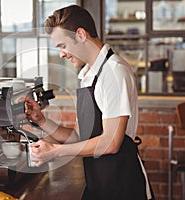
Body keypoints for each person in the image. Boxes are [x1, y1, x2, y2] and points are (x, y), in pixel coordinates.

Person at [24, 5, 154, 200]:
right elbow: (78, 136)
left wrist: (55, 152)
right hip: (99, 182)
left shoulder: (113, 72)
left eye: (63, 46)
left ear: (81, 35)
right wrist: (41, 120)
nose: (61, 54)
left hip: (123, 185)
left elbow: (111, 142)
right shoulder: (89, 75)